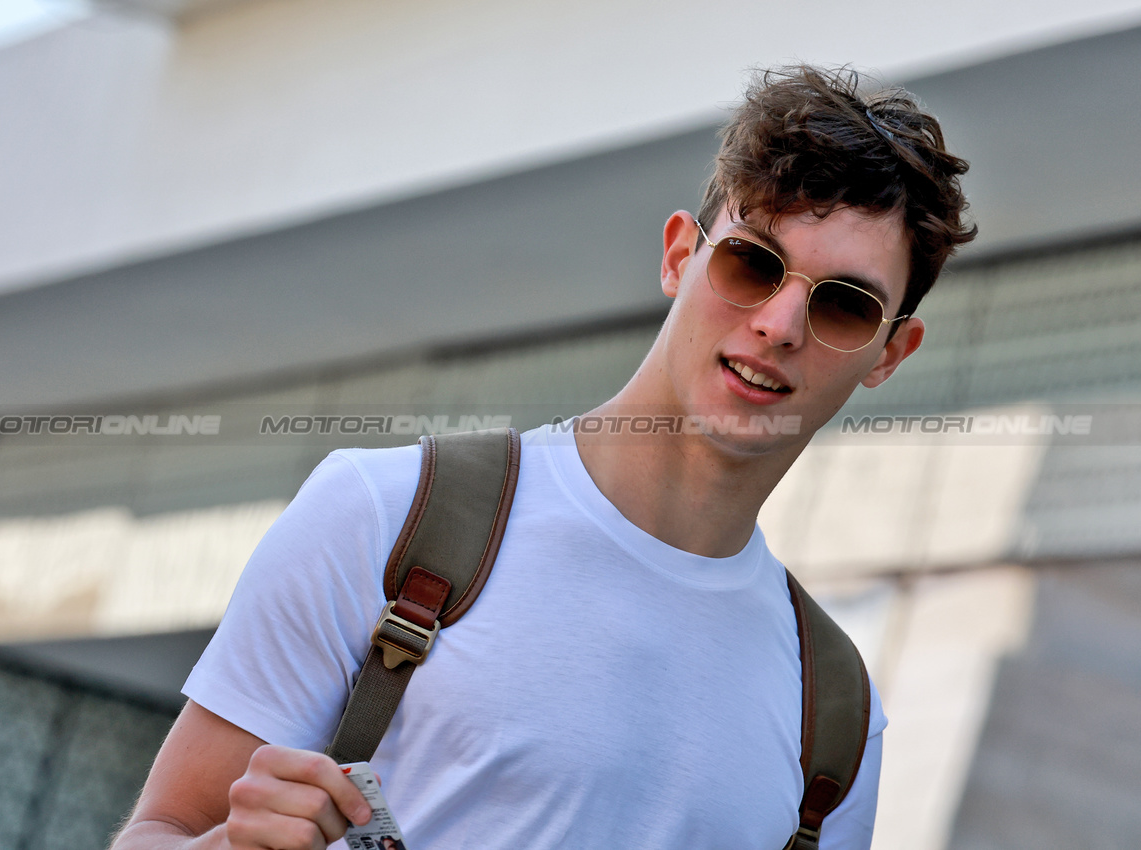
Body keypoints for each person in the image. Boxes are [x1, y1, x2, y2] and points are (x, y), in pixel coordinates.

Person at [110, 64, 974, 850]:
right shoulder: (384, 516)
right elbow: (161, 831)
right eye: (751, 264)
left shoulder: (835, 714)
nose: (778, 325)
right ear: (681, 255)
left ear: (890, 355)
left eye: (845, 306)